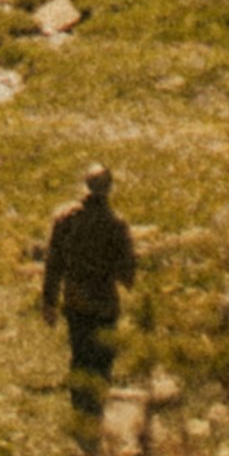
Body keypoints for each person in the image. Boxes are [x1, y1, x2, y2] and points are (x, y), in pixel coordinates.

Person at [37, 164, 138, 417]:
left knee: (80, 357)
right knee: (102, 360)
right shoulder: (116, 224)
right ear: (110, 188)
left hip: (76, 301)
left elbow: (53, 263)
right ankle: (96, 411)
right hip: (105, 304)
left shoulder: (66, 219)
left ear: (85, 186)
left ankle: (80, 413)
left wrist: (49, 301)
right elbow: (127, 272)